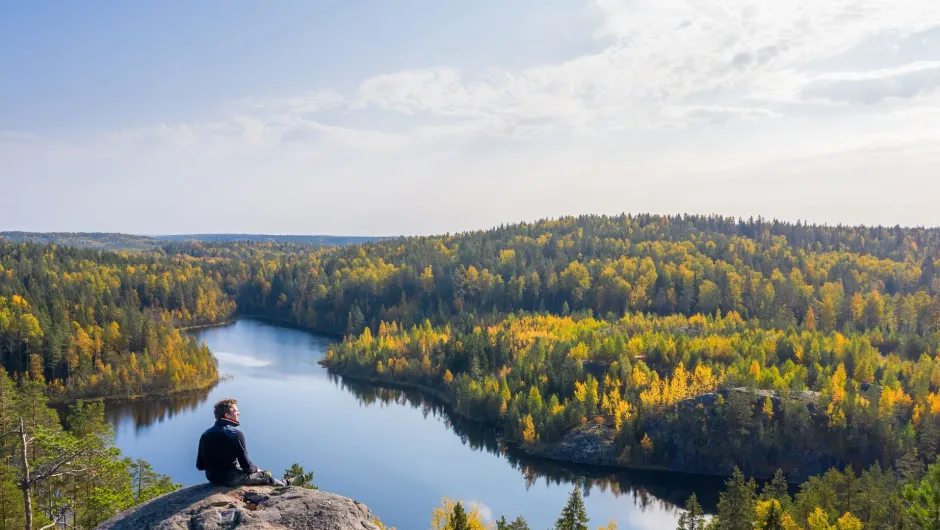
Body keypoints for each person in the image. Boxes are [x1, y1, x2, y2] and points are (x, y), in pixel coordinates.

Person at [196, 398, 287, 487]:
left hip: (212, 478)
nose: (239, 413)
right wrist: (257, 470)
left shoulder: (205, 434)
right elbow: (247, 466)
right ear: (227, 415)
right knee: (264, 476)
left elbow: (200, 465)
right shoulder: (235, 434)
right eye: (236, 411)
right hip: (231, 479)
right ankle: (286, 484)